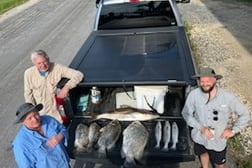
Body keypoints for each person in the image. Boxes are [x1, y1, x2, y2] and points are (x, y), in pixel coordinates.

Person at [182, 67, 249, 168]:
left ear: (215, 80)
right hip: (200, 137)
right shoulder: (194, 95)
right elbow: (186, 113)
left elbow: (245, 114)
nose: (204, 84)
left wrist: (233, 131)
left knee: (219, 164)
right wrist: (201, 128)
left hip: (218, 140)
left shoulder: (228, 97)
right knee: (203, 153)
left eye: (208, 81)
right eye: (202, 81)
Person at [24, 49, 84, 123]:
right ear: (34, 63)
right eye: (39, 63)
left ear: (48, 59)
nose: (43, 65)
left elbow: (78, 75)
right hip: (42, 116)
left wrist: (67, 87)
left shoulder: (57, 68)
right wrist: (32, 113)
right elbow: (28, 95)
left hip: (58, 116)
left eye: (44, 62)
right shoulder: (28, 74)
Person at [12, 103, 70, 168]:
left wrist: (60, 136)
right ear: (23, 122)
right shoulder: (20, 143)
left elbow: (63, 129)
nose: (35, 119)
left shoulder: (48, 119)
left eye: (36, 114)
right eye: (30, 118)